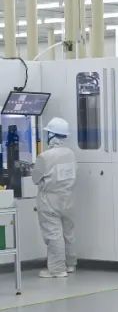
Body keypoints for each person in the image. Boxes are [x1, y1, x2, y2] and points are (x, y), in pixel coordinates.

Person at [31, 117, 77, 278]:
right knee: (68, 233)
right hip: (68, 198)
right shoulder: (70, 154)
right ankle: (70, 264)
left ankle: (57, 269)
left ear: (51, 135)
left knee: (53, 234)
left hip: (49, 200)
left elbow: (35, 179)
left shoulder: (45, 157)